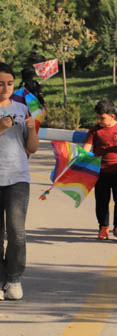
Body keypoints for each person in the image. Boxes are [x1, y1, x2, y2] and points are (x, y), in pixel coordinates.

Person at [0, 62, 39, 301]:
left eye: (9, 83)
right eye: (0, 84)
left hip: (17, 178)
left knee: (16, 233)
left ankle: (14, 279)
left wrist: (32, 129)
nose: (5, 88)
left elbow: (31, 148)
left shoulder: (21, 108)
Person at [83, 99, 117, 241]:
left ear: (112, 116)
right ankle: (103, 228)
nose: (99, 121)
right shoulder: (95, 130)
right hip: (100, 172)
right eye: (97, 118)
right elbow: (86, 148)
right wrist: (81, 156)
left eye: (102, 118)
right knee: (101, 201)